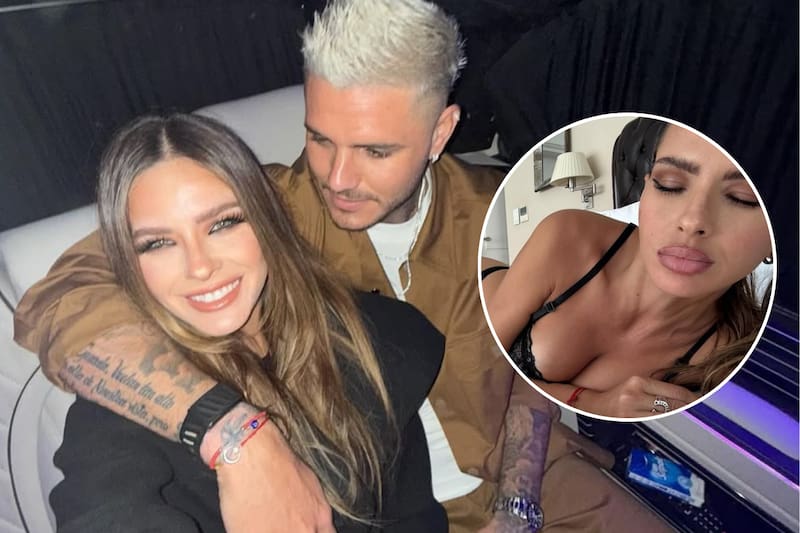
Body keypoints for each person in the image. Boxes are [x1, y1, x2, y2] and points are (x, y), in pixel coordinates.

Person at [15, 0, 675, 531]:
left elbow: (537, 354)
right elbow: (60, 299)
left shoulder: (508, 216)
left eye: (375, 151)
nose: (337, 178)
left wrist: (518, 500)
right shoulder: (255, 215)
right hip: (361, 499)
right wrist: (231, 432)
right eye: (319, 138)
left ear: (441, 132)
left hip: (523, 480)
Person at [49, 112, 447, 532]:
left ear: (264, 219)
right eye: (158, 243)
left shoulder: (364, 339)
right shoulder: (127, 404)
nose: (200, 266)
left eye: (222, 224)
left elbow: (411, 516)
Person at [483, 120, 773, 418]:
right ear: (646, 190)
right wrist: (591, 402)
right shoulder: (568, 233)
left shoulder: (729, 359)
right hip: (471, 287)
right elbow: (479, 367)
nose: (692, 221)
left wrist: (661, 408)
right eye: (669, 185)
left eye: (743, 198)